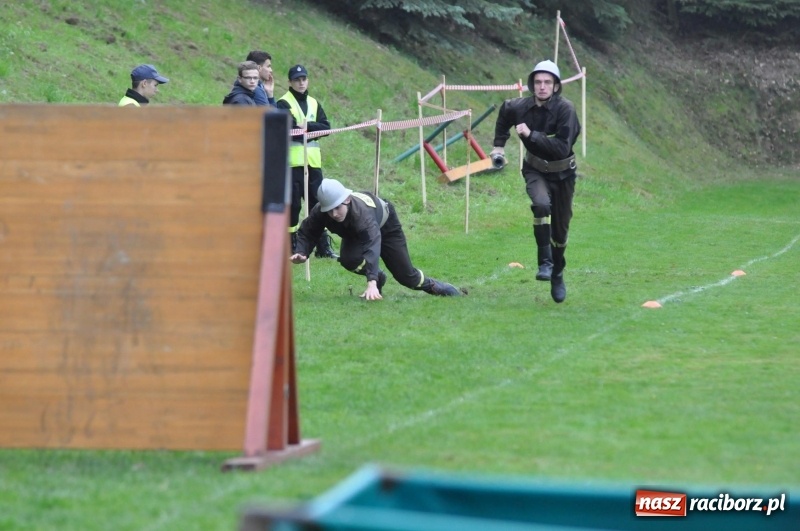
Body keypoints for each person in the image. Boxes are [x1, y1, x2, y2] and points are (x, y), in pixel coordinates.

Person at [490, 60, 581, 303]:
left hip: (563, 174)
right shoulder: (520, 107)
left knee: (560, 232)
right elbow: (504, 112)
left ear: (556, 86)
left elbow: (562, 148)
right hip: (535, 169)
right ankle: (545, 262)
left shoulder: (566, 111)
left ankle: (557, 272)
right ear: (532, 84)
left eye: (547, 82)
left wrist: (532, 135)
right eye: (538, 82)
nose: (542, 87)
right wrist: (499, 145)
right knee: (540, 205)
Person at [291, 178, 461, 300]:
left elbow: (372, 246)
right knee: (349, 259)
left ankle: (438, 287)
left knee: (407, 277)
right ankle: (380, 277)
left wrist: (371, 282)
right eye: (329, 210)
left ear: (347, 199)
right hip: (355, 233)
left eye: (337, 208)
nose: (334, 214)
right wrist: (301, 251)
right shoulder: (321, 211)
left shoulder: (362, 216)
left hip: (385, 226)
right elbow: (307, 231)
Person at [276, 64, 337, 259]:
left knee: (319, 205)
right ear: (290, 82)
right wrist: (312, 131)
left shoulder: (314, 103)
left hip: (313, 165)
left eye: (304, 79)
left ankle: (322, 246)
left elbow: (326, 128)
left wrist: (308, 127)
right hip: (292, 165)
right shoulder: (283, 103)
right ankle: (292, 244)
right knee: (293, 206)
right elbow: (291, 129)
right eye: (297, 80)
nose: (301, 82)